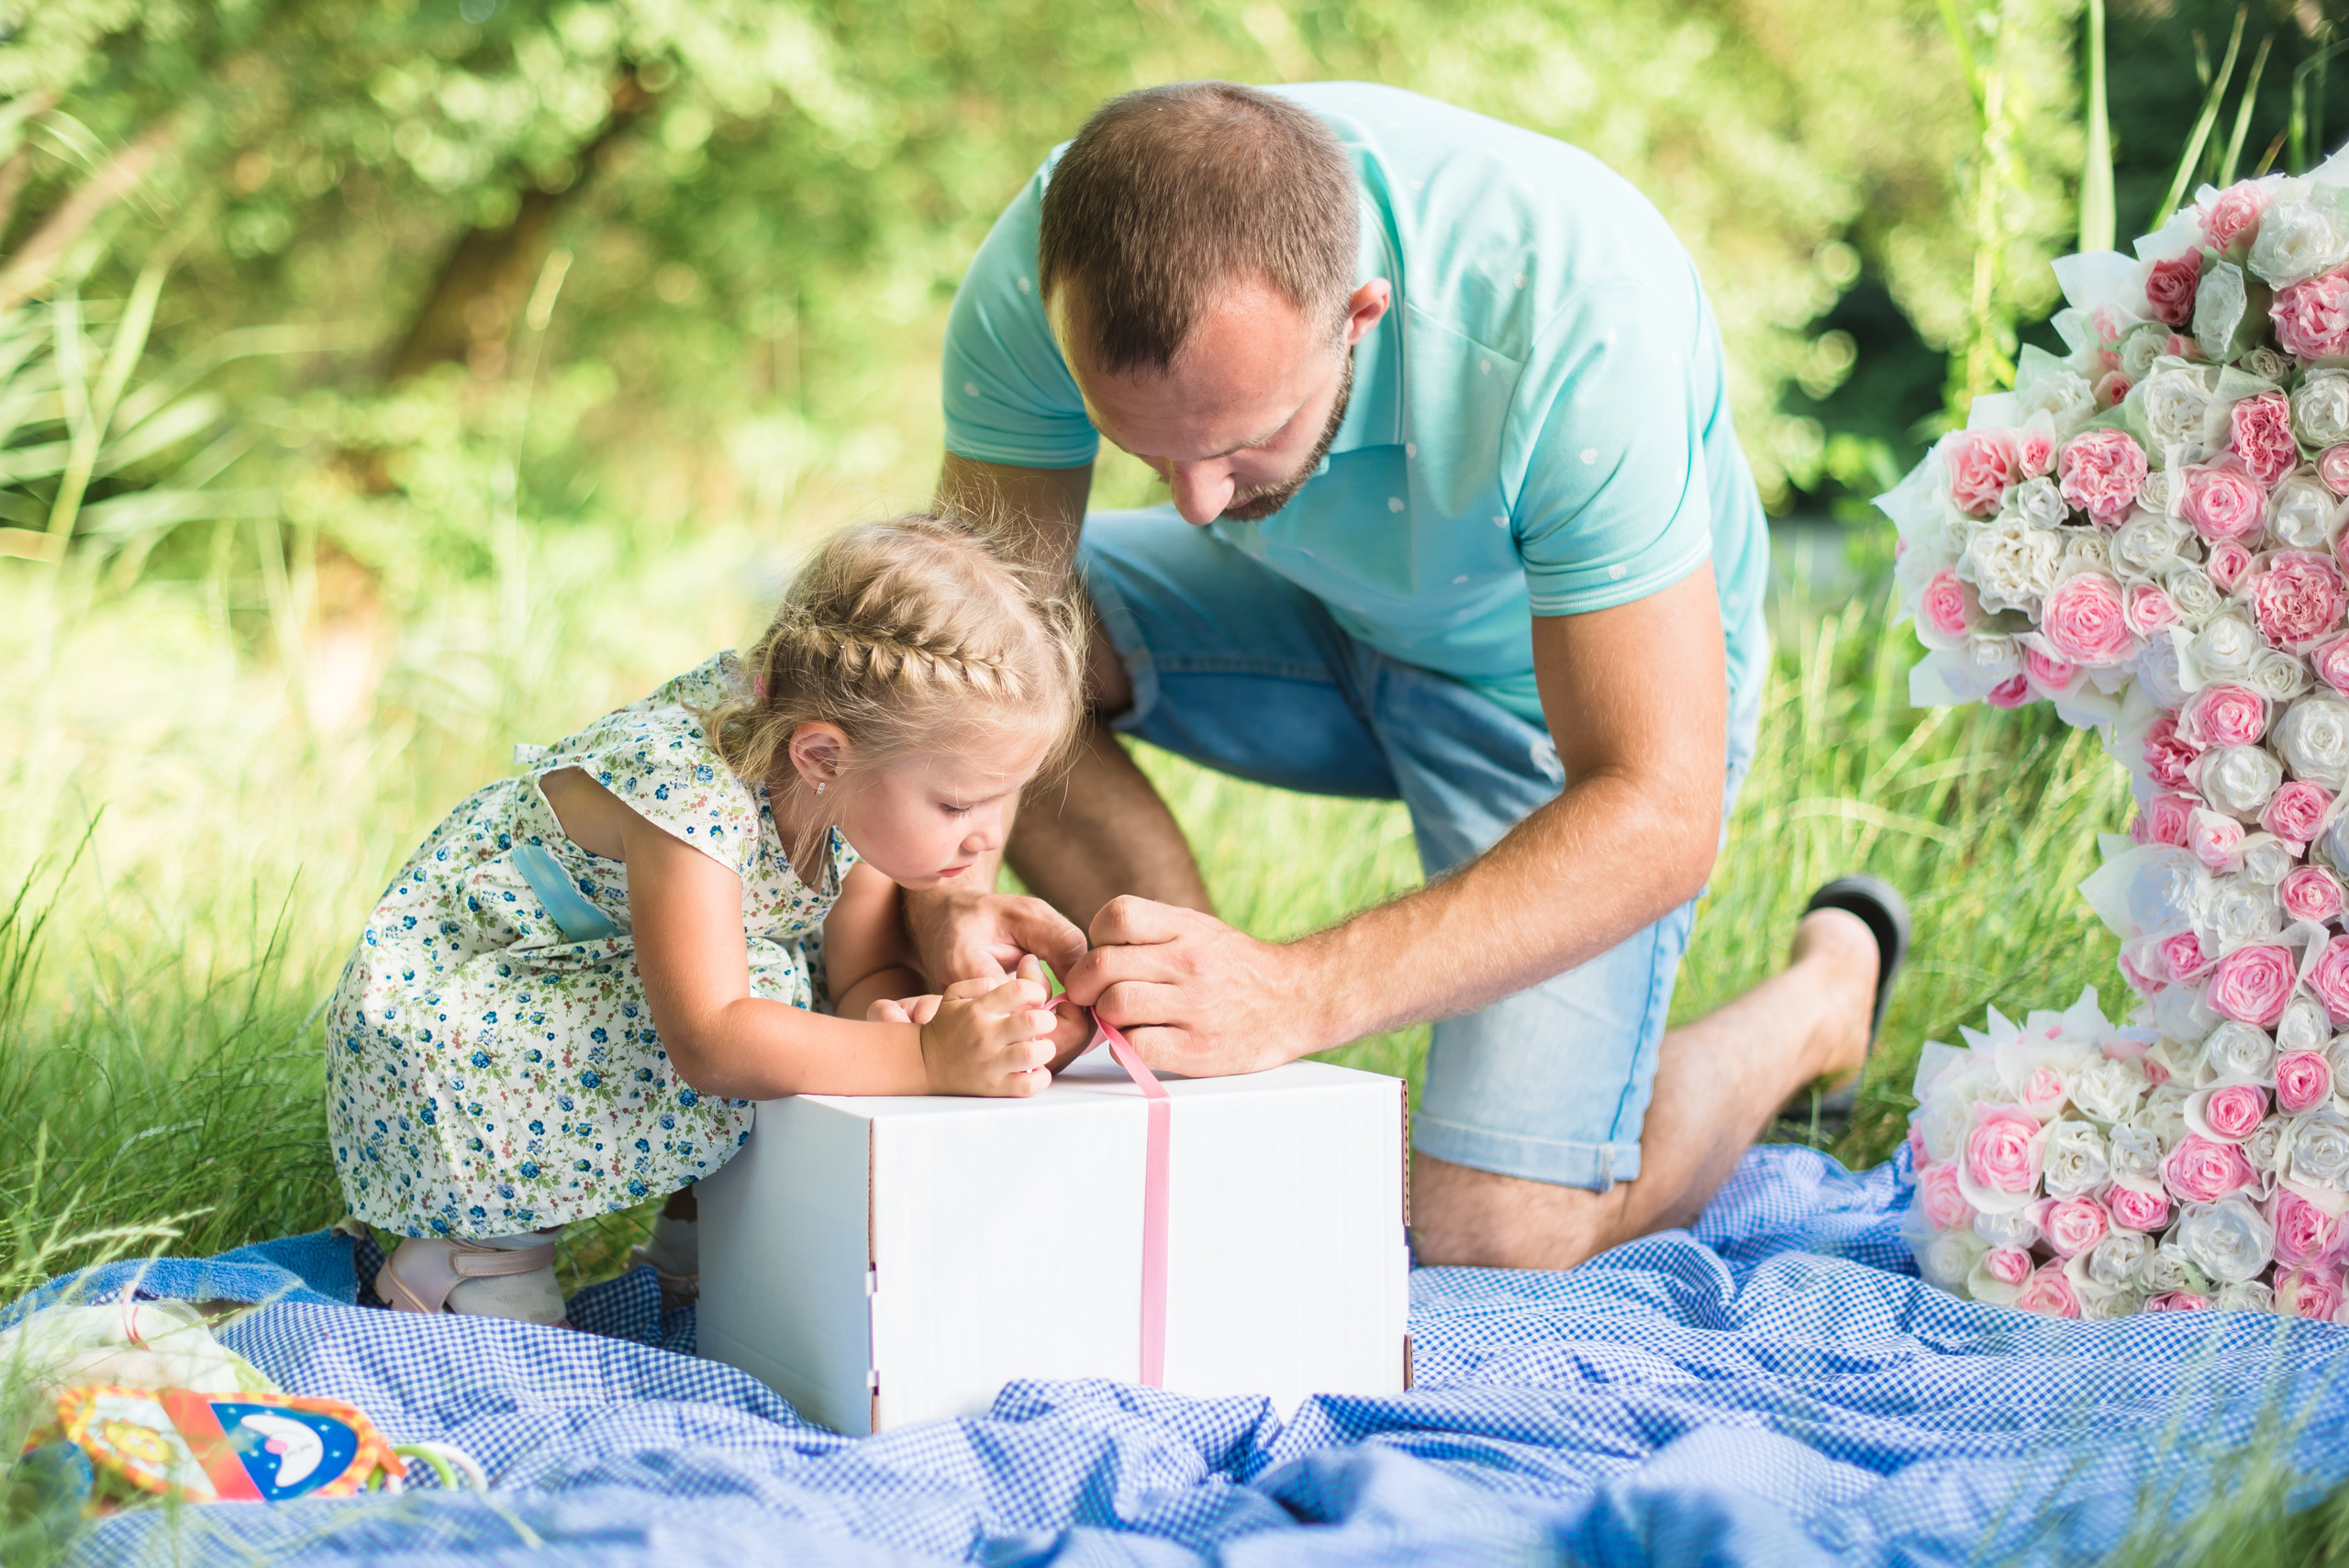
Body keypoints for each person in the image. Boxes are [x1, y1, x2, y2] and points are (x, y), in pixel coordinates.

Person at [908, 80, 1908, 1272]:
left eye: (1239, 441)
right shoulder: (1045, 268)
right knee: (924, 647)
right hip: (1315, 619)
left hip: (1554, 708)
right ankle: (1173, 1005)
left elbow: (1660, 809)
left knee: (1498, 1235)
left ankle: (1822, 1003)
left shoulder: (1575, 318)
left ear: (1361, 315)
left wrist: (1298, 991)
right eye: (1145, 449)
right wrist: (945, 891)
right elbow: (965, 671)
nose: (1197, 502)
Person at [328, 515, 1095, 1323]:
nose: (985, 837)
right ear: (823, 757)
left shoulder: (855, 787)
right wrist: (929, 1058)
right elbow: (711, 1039)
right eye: (958, 802)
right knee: (761, 1006)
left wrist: (909, 1016)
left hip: (592, 987)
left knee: (807, 1014)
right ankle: (469, 1251)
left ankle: (704, 1237)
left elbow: (863, 975)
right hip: (453, 1029)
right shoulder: (689, 790)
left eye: (1003, 797)